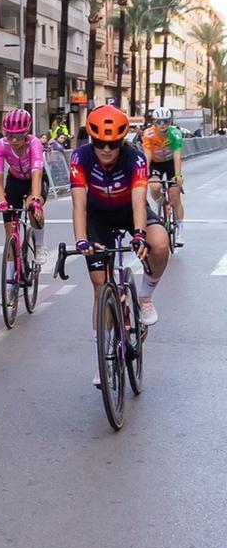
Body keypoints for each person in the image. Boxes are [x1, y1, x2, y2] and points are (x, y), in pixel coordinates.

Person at [69, 105, 169, 385]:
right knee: (100, 284)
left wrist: (139, 234)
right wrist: (81, 239)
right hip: (98, 216)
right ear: (91, 140)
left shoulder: (135, 158)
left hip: (128, 210)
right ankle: (103, 355)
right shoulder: (80, 157)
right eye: (100, 143)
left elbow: (139, 201)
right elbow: (79, 205)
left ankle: (145, 297)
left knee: (159, 244)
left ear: (122, 141)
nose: (106, 149)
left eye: (112, 144)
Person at [0, 108, 50, 269]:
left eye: (18, 136)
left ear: (26, 133)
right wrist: (1, 200)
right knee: (10, 233)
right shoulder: (0, 145)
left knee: (32, 208)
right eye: (9, 135)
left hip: (34, 181)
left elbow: (37, 173)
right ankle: (10, 283)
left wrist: (36, 199)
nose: (14, 140)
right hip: (15, 180)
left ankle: (39, 245)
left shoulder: (34, 143)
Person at [141, 106, 185, 246]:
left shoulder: (176, 133)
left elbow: (178, 155)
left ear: (170, 121)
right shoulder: (148, 134)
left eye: (165, 121)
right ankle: (160, 201)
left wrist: (178, 175)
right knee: (154, 186)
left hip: (171, 163)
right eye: (159, 122)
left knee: (174, 194)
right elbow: (147, 155)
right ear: (154, 122)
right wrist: (144, 172)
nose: (162, 125)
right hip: (156, 163)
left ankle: (180, 230)